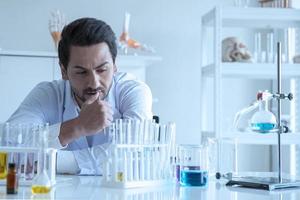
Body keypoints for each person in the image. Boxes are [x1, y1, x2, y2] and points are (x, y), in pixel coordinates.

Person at [7, 18, 153, 174]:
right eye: (81, 72)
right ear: (64, 71)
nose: (94, 82)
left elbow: (134, 154)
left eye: (102, 70)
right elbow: (9, 147)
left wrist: (50, 162)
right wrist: (77, 126)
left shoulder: (134, 91)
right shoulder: (47, 94)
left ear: (115, 65)